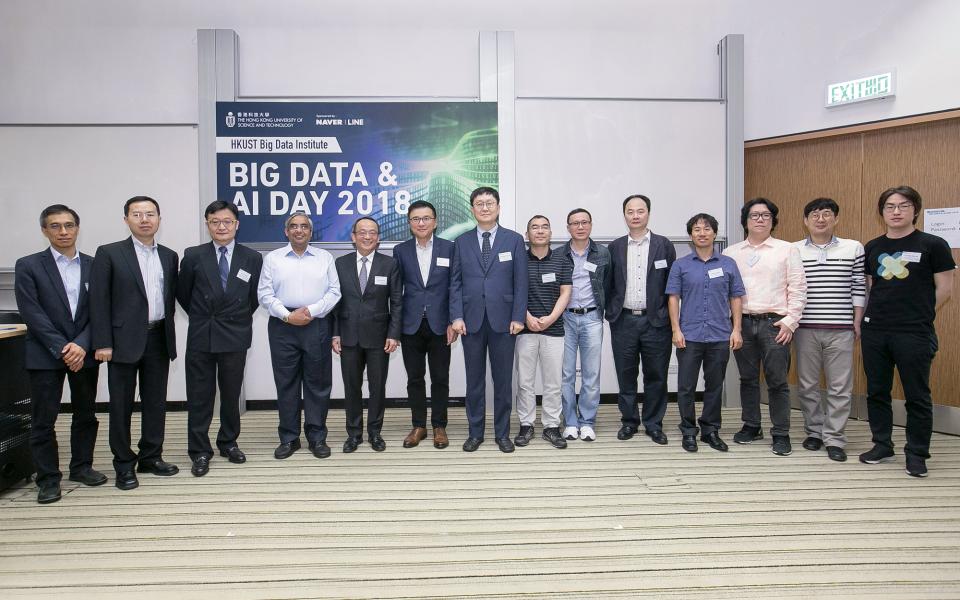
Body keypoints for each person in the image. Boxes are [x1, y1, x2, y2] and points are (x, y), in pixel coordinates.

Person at [859, 186, 954, 477]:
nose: (896, 211)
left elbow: (946, 289)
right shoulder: (873, 247)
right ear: (882, 212)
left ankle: (916, 454)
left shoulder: (933, 244)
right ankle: (882, 444)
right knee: (876, 391)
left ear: (915, 209)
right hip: (875, 331)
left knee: (917, 395)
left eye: (903, 206)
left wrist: (919, 316)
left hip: (914, 332)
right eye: (889, 206)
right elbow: (870, 288)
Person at [15, 205, 106, 503]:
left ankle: (81, 467)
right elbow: (32, 312)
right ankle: (48, 479)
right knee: (44, 418)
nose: (63, 232)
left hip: (84, 351)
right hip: (45, 353)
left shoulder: (95, 265)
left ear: (78, 228)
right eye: (55, 226)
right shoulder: (28, 265)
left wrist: (81, 343)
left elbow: (100, 311)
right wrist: (62, 347)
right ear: (44, 230)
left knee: (85, 414)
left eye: (69, 225)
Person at [90, 196, 179, 490]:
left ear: (159, 219)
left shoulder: (169, 255)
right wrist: (102, 342)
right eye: (137, 214)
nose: (144, 219)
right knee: (121, 406)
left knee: (155, 403)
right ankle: (124, 465)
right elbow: (98, 301)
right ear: (126, 219)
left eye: (150, 214)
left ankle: (151, 457)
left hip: (158, 338)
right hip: (121, 341)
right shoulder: (110, 253)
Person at [177, 200, 263, 477]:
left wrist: (233, 317)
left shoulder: (252, 257)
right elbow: (183, 294)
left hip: (235, 334)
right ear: (208, 225)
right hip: (202, 334)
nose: (221, 226)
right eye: (215, 222)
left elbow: (254, 299)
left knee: (230, 394)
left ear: (236, 224)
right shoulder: (193, 255)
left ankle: (228, 442)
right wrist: (205, 316)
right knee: (200, 396)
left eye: (227, 221)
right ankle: (200, 451)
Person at [723, 198, 806, 456]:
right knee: (747, 378)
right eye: (754, 215)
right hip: (742, 323)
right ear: (745, 221)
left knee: (777, 381)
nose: (760, 219)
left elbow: (798, 288)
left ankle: (781, 433)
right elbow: (725, 292)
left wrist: (790, 322)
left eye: (766, 215)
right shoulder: (731, 253)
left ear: (773, 220)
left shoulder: (787, 249)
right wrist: (732, 324)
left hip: (775, 324)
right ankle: (751, 425)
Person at [450, 187, 528, 453]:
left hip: (505, 322)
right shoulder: (461, 242)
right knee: (474, 381)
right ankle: (475, 433)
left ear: (498, 207)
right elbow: (455, 283)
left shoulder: (514, 239)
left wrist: (519, 317)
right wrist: (456, 316)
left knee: (503, 381)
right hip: (470, 321)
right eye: (479, 204)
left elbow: (521, 283)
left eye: (489, 203)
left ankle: (502, 434)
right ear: (472, 209)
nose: (485, 208)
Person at [258, 212, 341, 460]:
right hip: (283, 326)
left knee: (318, 384)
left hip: (316, 324)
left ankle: (317, 438)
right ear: (286, 231)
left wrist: (311, 312)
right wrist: (287, 315)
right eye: (293, 226)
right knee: (287, 384)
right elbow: (264, 294)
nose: (299, 230)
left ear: (310, 232)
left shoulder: (325, 258)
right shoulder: (273, 259)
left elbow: (335, 292)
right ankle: (289, 438)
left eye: (304, 226)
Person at [792, 198, 865, 463]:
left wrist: (856, 321)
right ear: (805, 220)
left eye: (826, 214)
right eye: (814, 214)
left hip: (841, 328)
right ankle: (814, 432)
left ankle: (834, 437)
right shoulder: (794, 250)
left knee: (839, 387)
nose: (820, 219)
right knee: (808, 385)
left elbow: (859, 286)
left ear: (836, 218)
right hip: (804, 328)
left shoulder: (853, 248)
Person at [666, 213, 745, 453]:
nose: (702, 233)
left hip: (720, 334)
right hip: (689, 335)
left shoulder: (728, 264)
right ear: (691, 235)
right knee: (686, 386)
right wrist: (675, 329)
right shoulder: (681, 265)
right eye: (697, 229)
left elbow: (736, 297)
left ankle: (710, 430)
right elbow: (673, 298)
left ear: (714, 233)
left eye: (707, 229)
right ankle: (688, 430)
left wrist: (737, 330)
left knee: (714, 386)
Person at [606, 194, 676, 445]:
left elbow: (672, 285)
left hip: (656, 321)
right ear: (624, 215)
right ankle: (629, 421)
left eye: (640, 211)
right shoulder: (614, 247)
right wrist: (611, 312)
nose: (635, 215)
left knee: (656, 374)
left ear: (648, 213)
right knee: (626, 374)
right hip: (623, 321)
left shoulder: (664, 245)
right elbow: (608, 284)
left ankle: (654, 423)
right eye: (630, 211)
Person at [332, 217, 402, 453]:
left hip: (379, 337)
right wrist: (335, 334)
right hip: (348, 336)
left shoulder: (389, 264)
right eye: (362, 232)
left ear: (378, 237)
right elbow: (334, 302)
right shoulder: (339, 264)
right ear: (353, 236)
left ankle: (375, 432)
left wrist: (394, 334)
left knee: (377, 387)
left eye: (372, 232)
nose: (367, 236)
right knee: (351, 387)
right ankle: (354, 434)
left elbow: (397, 303)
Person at [393, 200, 457, 449]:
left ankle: (439, 426)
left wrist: (454, 320)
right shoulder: (400, 250)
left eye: (426, 218)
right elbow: (396, 293)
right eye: (416, 219)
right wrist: (395, 327)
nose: (421, 223)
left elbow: (455, 287)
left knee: (440, 377)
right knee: (414, 378)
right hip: (410, 325)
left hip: (441, 324)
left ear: (435, 221)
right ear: (409, 223)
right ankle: (418, 425)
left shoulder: (449, 248)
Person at [513, 215, 572, 449]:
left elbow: (565, 293)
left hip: (554, 329)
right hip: (524, 329)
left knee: (553, 382)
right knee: (525, 382)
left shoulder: (562, 260)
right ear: (527, 235)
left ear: (551, 232)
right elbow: (513, 291)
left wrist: (550, 319)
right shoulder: (518, 260)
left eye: (544, 227)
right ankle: (526, 425)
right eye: (534, 228)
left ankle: (551, 426)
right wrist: (526, 316)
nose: (540, 231)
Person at [559, 208, 611, 443]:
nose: (580, 227)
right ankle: (570, 421)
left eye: (584, 222)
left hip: (592, 318)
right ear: (568, 227)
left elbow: (610, 284)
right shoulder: (558, 254)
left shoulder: (603, 253)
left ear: (591, 225)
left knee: (591, 373)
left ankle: (587, 421)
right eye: (575, 223)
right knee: (567, 373)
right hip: (565, 319)